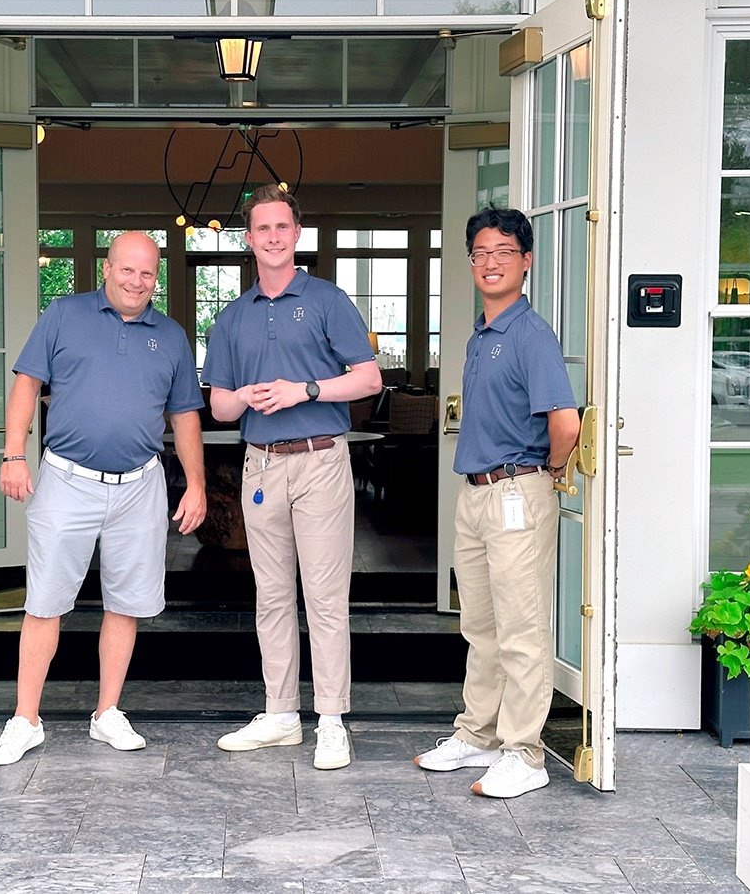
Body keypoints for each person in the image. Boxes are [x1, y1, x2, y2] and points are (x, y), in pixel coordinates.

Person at [0, 231, 205, 765]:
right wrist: (14, 453)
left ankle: (108, 712)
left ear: (157, 277)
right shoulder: (64, 314)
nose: (136, 281)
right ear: (107, 268)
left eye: (147, 273)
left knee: (126, 603)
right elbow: (26, 385)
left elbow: (184, 417)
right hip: (67, 480)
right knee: (44, 602)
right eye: (127, 270)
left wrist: (196, 483)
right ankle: (25, 719)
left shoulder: (171, 335)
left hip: (140, 484)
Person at [202, 185, 382, 770]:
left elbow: (369, 380)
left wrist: (304, 389)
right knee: (272, 596)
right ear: (248, 239)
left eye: (282, 227)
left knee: (326, 598)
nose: (273, 237)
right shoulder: (232, 318)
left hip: (320, 459)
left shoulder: (327, 300)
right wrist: (247, 397)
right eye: (262, 229)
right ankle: (281, 713)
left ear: (295, 235)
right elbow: (221, 408)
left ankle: (331, 721)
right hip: (260, 464)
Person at [414, 206, 580, 798]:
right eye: (480, 253)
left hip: (517, 492)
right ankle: (477, 734)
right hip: (477, 494)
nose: (490, 263)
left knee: (521, 629)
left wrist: (552, 472)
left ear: (526, 262)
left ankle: (524, 753)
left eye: (503, 253)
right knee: (480, 626)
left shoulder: (532, 335)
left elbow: (565, 422)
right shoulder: (483, 333)